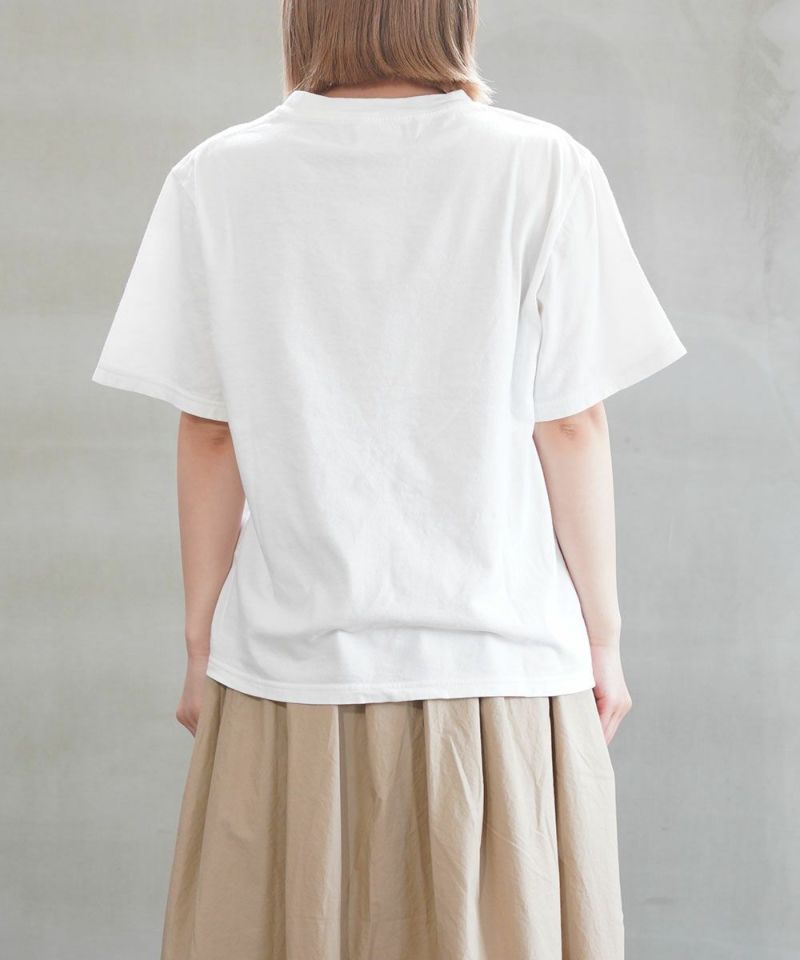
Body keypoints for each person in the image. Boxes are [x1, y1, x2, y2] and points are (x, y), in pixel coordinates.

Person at [90, 1, 687, 957]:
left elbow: (209, 432)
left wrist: (202, 643)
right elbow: (571, 423)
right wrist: (603, 641)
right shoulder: (542, 166)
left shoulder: (218, 176)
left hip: (288, 667)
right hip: (498, 663)